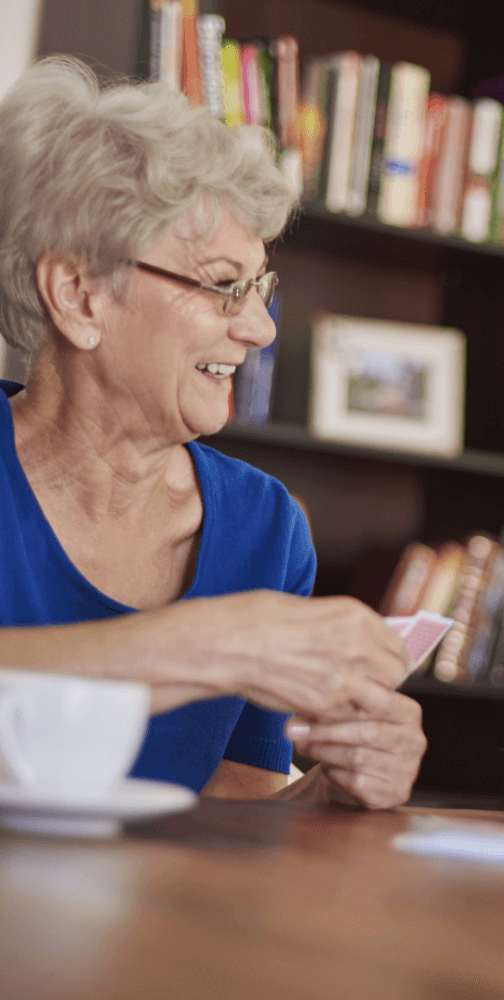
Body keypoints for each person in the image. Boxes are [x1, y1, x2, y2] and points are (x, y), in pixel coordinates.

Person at [0, 56, 425, 808]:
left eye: (258, 287)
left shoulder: (265, 527)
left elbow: (239, 809)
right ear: (78, 295)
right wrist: (213, 645)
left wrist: (337, 789)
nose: (259, 328)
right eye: (224, 285)